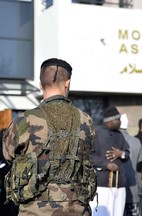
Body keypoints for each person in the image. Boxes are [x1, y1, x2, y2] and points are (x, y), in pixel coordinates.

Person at [2, 58, 97, 215]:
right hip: (77, 210)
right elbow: (89, 152)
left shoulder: (24, 120)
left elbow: (8, 156)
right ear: (67, 83)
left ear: (40, 85)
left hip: (35, 210)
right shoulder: (85, 120)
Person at [89, 106, 130, 216]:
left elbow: (127, 154)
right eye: (119, 119)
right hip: (102, 185)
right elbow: (88, 156)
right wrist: (106, 164)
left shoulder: (120, 135)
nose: (121, 122)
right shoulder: (96, 133)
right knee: (101, 213)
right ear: (111, 121)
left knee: (118, 213)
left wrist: (120, 154)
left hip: (119, 184)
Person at [119, 114, 142, 216]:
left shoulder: (113, 140)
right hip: (133, 189)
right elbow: (139, 167)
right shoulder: (136, 142)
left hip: (116, 190)